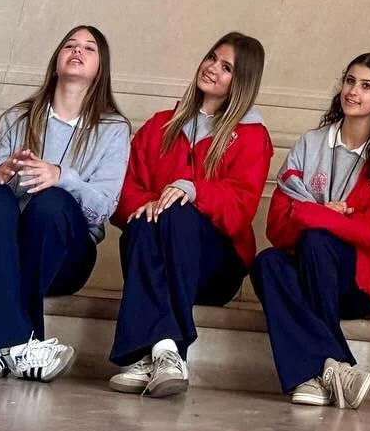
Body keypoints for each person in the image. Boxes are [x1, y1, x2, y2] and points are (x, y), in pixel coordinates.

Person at [0, 24, 130, 383]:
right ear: (56, 61)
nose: (78, 51)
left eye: (89, 48)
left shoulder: (113, 128)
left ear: (101, 68)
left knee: (51, 201)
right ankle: (18, 347)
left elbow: (103, 209)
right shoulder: (17, 118)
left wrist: (61, 176)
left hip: (65, 258)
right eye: (70, 45)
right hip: (1, 252)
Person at [108, 32, 268, 398]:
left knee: (177, 211)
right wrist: (149, 203)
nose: (212, 68)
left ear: (241, 81)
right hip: (155, 246)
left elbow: (241, 208)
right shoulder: (161, 125)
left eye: (226, 67)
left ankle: (158, 351)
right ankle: (164, 351)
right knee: (144, 224)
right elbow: (123, 189)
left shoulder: (251, 136)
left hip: (214, 267)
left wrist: (193, 190)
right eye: (211, 57)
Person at [252, 53, 370, 410]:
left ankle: (314, 369)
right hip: (309, 269)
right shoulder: (310, 144)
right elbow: (276, 224)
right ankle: (328, 370)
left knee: (316, 238)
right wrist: (329, 215)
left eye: (366, 86)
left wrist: (312, 214)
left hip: (357, 284)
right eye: (350, 81)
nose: (353, 91)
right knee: (267, 263)